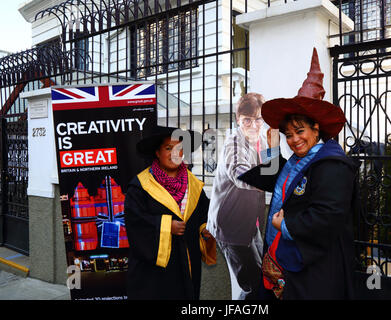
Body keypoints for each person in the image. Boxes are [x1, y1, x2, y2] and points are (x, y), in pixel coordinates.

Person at [239, 48, 360, 300]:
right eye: (288, 134)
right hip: (282, 263)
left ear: (316, 129)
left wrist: (284, 224)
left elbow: (328, 216)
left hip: (312, 270)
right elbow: (279, 179)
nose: (294, 140)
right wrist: (272, 149)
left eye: (300, 131)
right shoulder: (297, 161)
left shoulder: (333, 164)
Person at [124, 126, 216, 300]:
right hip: (154, 270)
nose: (175, 153)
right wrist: (166, 226)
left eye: (179, 148)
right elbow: (135, 223)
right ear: (157, 153)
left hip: (187, 261)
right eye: (168, 148)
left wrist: (205, 228)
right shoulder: (141, 186)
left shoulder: (194, 184)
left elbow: (205, 213)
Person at [207, 92, 274, 300]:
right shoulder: (234, 143)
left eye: (258, 119)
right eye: (247, 120)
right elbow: (241, 176)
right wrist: (268, 181)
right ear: (238, 120)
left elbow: (272, 170)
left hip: (249, 223)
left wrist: (273, 149)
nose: (254, 125)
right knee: (252, 286)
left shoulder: (262, 138)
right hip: (231, 226)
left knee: (264, 276)